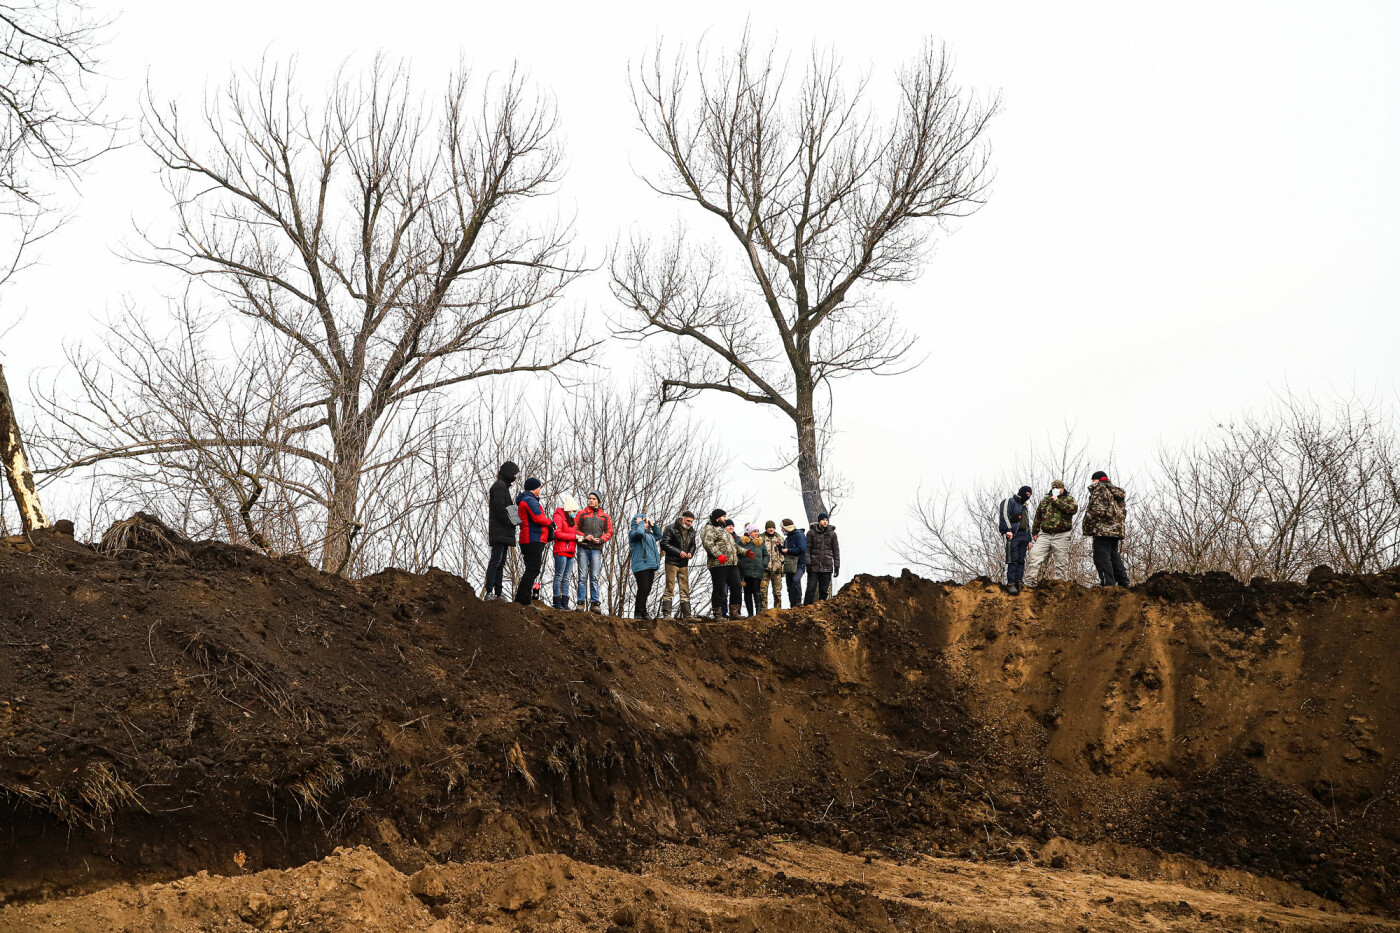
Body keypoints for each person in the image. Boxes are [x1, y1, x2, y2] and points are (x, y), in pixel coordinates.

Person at [1026, 480, 1078, 586]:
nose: (1056, 490)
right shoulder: (1045, 499)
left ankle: (1060, 584)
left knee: (1061, 561)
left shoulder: (1069, 499)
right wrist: (1035, 532)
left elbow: (1073, 510)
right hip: (1045, 533)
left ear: (1062, 489)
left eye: (1058, 488)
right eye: (1054, 488)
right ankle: (1029, 582)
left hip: (1062, 534)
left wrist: (1057, 501)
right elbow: (1038, 515)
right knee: (1034, 555)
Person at [1083, 471, 1129, 587]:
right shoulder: (1116, 492)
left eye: (1093, 480)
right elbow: (1123, 512)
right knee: (1114, 556)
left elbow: (1097, 511)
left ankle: (1107, 584)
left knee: (1101, 556)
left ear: (1097, 479)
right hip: (1116, 530)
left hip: (1102, 530)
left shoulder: (1100, 489)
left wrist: (1087, 524)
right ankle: (1124, 582)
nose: (1092, 482)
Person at [485, 461, 519, 601]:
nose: (515, 477)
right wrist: (509, 522)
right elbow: (499, 507)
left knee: (501, 561)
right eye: (513, 474)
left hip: (503, 531)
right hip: (500, 530)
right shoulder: (499, 487)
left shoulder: (502, 487)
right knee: (496, 560)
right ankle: (489, 591)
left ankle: (498, 592)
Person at [514, 477, 552, 607]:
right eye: (539, 487)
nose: (540, 489)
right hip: (532, 538)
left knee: (531, 569)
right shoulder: (530, 500)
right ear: (534, 488)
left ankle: (521, 597)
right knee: (533, 569)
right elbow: (538, 518)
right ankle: (524, 599)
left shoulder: (526, 499)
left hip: (529, 538)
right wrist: (550, 523)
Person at [576, 492, 614, 614]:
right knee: (582, 576)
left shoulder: (604, 516)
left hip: (596, 549)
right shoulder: (581, 513)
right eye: (589, 498)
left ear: (598, 500)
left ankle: (594, 603)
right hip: (583, 547)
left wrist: (601, 539)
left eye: (593, 499)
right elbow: (575, 528)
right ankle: (580, 602)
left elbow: (609, 531)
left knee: (594, 577)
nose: (591, 500)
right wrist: (585, 536)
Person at [700, 508, 740, 619]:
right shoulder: (709, 529)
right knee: (719, 588)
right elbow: (708, 544)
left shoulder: (723, 530)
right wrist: (719, 555)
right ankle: (718, 614)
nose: (725, 519)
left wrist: (745, 552)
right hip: (717, 564)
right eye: (724, 517)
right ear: (718, 517)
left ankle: (734, 613)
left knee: (737, 585)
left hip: (731, 563)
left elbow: (733, 546)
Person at [660, 510, 697, 619]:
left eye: (691, 521)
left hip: (684, 563)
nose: (689, 523)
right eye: (688, 521)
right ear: (682, 519)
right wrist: (678, 552)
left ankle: (687, 614)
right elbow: (664, 544)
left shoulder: (692, 531)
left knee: (685, 588)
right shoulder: (670, 528)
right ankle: (667, 613)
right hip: (671, 562)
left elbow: (693, 545)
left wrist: (691, 553)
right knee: (670, 587)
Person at [998, 486, 1034, 595]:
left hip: (1024, 535)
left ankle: (1019, 581)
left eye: (1029, 495)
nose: (1028, 496)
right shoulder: (1010, 501)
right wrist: (1008, 530)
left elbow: (1027, 523)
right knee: (1012, 559)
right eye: (1027, 494)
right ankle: (1011, 584)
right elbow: (1004, 515)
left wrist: (1029, 539)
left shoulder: (1025, 507)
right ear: (1022, 492)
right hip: (1014, 534)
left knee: (1021, 560)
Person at [629, 512, 662, 620]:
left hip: (650, 565)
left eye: (646, 522)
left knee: (647, 589)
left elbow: (658, 535)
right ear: (637, 522)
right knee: (642, 588)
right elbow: (640, 533)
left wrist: (652, 524)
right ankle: (638, 612)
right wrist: (640, 524)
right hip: (640, 565)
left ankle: (643, 612)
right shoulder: (633, 533)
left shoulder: (650, 535)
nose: (646, 524)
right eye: (644, 522)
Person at [550, 494, 581, 609]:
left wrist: (580, 537)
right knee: (559, 576)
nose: (574, 513)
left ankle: (565, 603)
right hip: (561, 550)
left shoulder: (572, 520)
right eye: (573, 510)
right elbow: (557, 533)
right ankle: (557, 601)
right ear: (568, 510)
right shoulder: (558, 516)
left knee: (566, 577)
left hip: (571, 551)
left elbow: (574, 533)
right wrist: (574, 537)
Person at [804, 512, 841, 604]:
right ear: (819, 521)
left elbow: (836, 551)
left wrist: (837, 566)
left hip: (827, 566)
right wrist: (807, 563)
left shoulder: (832, 534)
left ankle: (822, 609)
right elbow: (807, 549)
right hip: (814, 565)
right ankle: (806, 608)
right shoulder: (811, 533)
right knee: (810, 589)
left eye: (826, 520)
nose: (825, 522)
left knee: (824, 590)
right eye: (823, 520)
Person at [737, 523, 769, 617]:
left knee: (757, 591)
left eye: (757, 531)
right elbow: (737, 555)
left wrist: (764, 564)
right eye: (754, 531)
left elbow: (766, 555)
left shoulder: (760, 543)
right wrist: (741, 563)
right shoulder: (742, 543)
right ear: (749, 532)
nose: (757, 533)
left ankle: (758, 613)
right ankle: (750, 614)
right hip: (745, 572)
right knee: (747, 592)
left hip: (758, 571)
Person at [781, 519, 807, 608]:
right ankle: (792, 606)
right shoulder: (787, 539)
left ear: (786, 528)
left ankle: (798, 603)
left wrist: (789, 550)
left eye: (782, 528)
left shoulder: (799, 535)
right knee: (790, 585)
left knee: (796, 580)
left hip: (799, 564)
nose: (782, 530)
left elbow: (802, 549)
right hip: (789, 565)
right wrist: (779, 546)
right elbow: (784, 552)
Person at [761, 520, 786, 609]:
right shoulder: (761, 539)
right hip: (764, 570)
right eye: (769, 527)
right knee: (763, 592)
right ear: (766, 529)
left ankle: (778, 610)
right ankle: (763, 612)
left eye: (772, 527)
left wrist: (779, 563)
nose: (771, 529)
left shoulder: (779, 539)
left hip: (777, 570)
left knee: (777, 592)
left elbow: (783, 553)